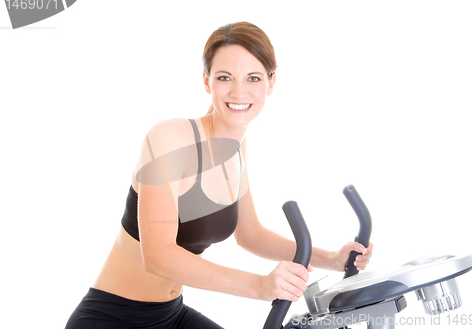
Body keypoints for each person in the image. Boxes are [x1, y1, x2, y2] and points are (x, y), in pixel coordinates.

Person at [65, 21, 374, 329]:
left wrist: (331, 259)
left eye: (253, 78)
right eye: (225, 77)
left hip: (171, 315)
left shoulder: (237, 149)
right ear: (206, 81)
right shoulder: (170, 138)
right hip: (110, 319)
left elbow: (251, 235)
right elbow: (158, 256)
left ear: (271, 83)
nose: (239, 91)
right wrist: (260, 286)